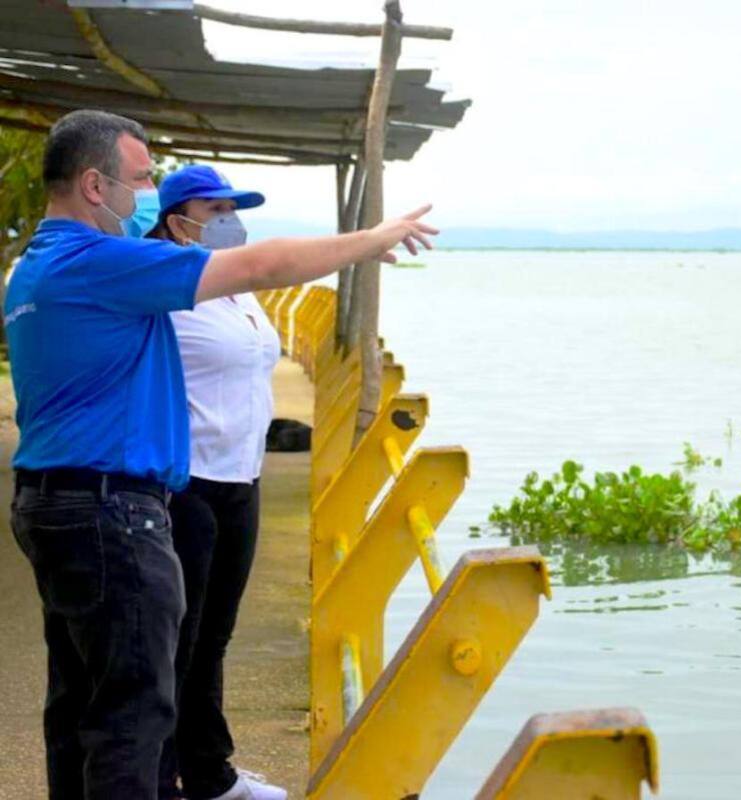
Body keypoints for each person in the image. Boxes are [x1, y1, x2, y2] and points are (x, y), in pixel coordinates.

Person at [5, 109, 435, 799]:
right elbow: (263, 264)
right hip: (110, 512)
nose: (147, 194)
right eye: (141, 179)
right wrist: (371, 239)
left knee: (80, 701)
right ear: (93, 185)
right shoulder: (98, 263)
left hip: (55, 501)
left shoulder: (35, 268)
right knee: (133, 713)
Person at [146, 165, 283, 799]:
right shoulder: (164, 288)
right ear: (178, 222)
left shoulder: (238, 288)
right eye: (215, 210)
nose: (230, 220)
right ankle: (161, 777)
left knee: (214, 636)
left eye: (234, 209)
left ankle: (209, 772)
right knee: (179, 638)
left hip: (242, 477)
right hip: (189, 481)